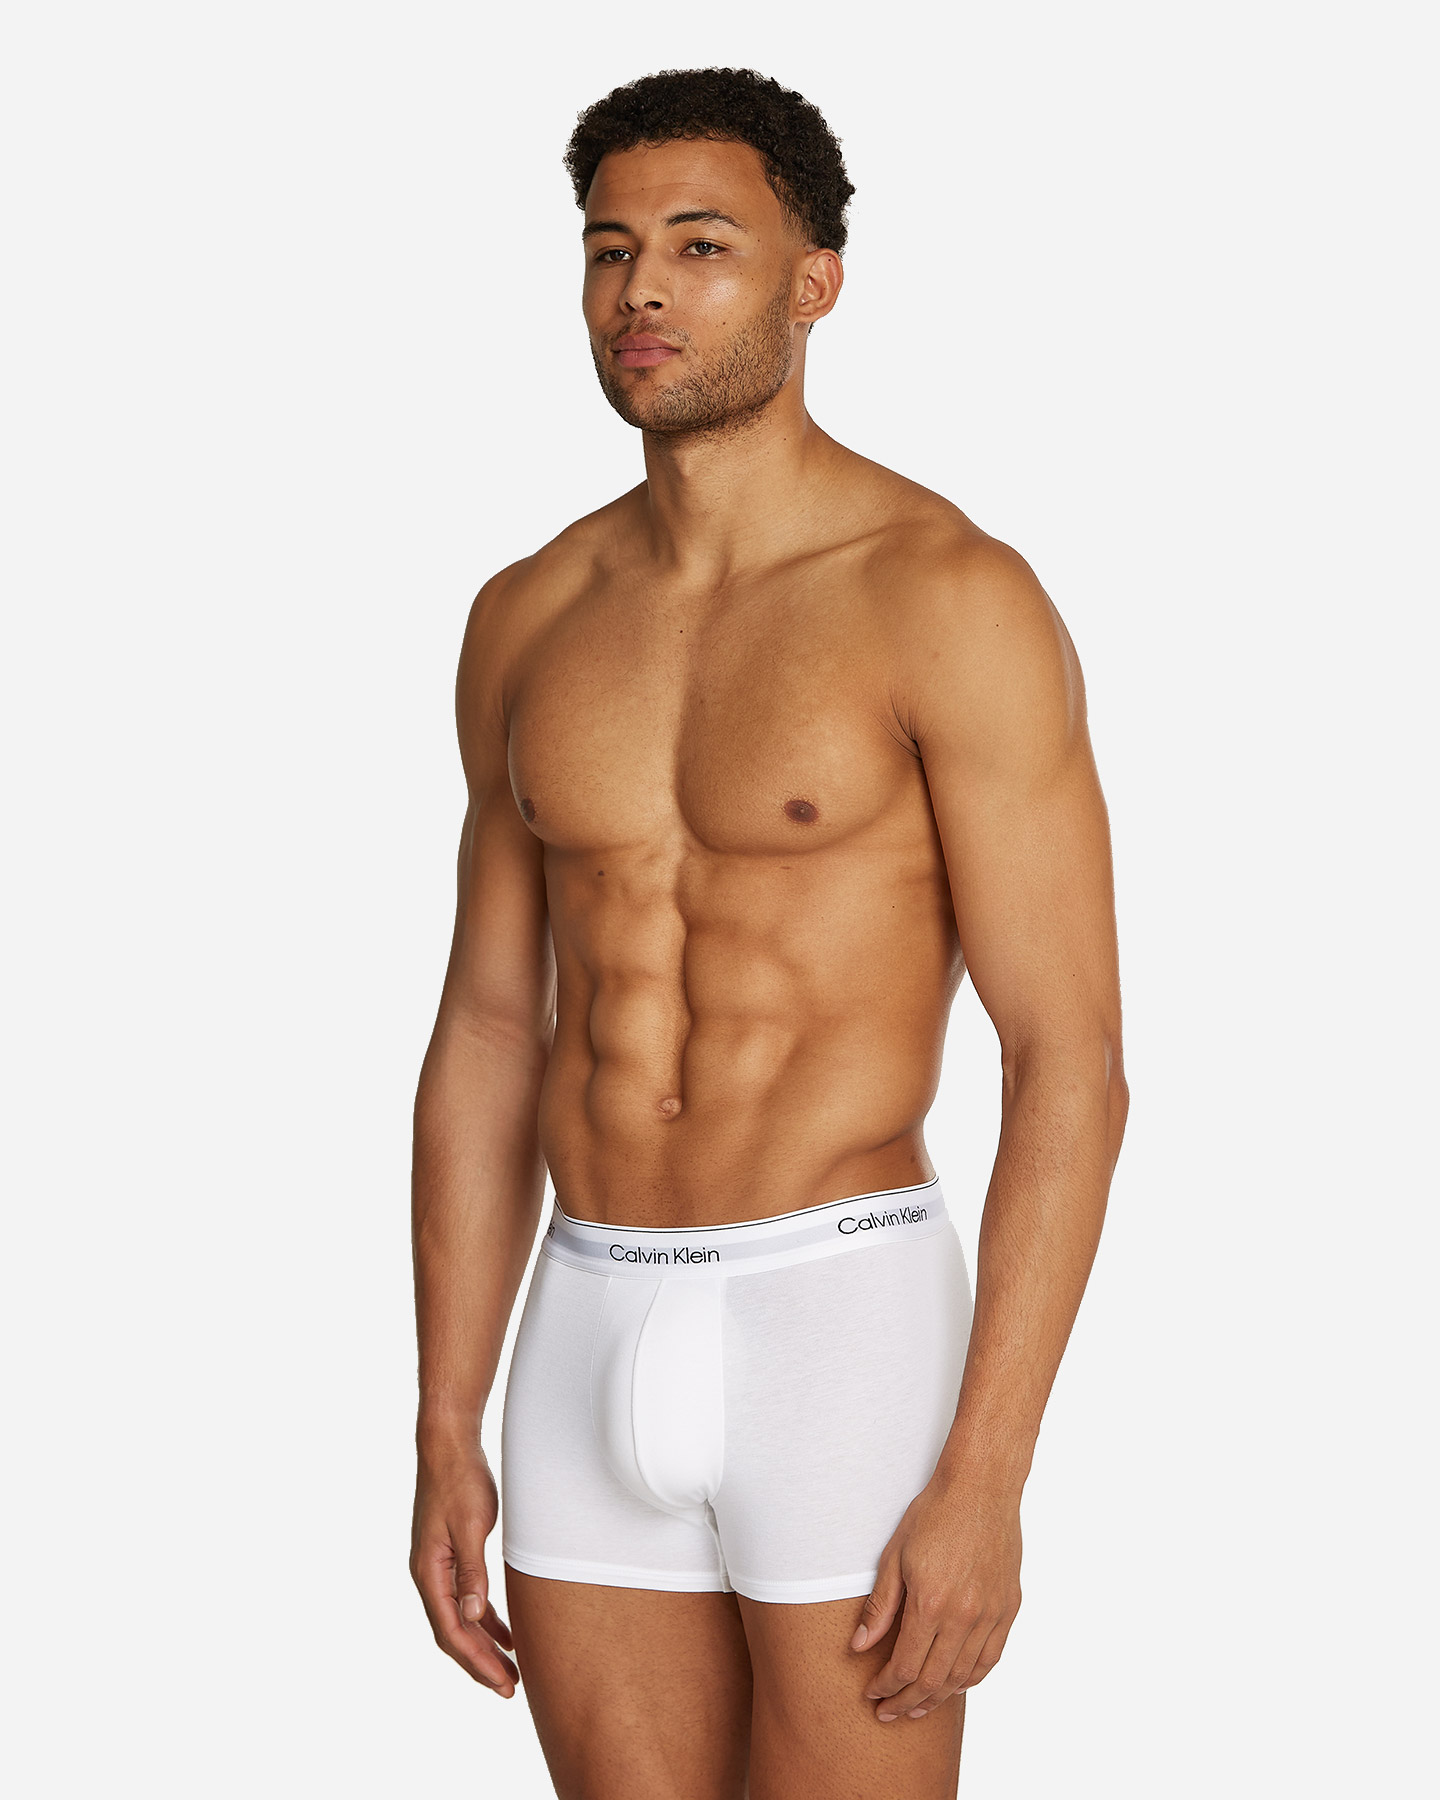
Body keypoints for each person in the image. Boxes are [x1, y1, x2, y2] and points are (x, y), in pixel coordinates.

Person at [409, 65, 1127, 1800]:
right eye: (610, 250)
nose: (641, 291)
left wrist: (987, 1474)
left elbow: (1069, 1061)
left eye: (701, 246)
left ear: (816, 282)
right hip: (581, 1322)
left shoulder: (946, 595)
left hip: (840, 1321)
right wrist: (444, 1415)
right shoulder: (527, 616)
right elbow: (491, 1032)